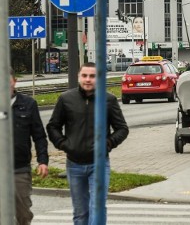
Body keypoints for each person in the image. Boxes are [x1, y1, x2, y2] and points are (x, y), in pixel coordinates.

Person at [46, 62, 129, 225]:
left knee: (97, 208)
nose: (88, 80)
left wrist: (109, 143)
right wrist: (63, 144)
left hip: (99, 164)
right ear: (79, 77)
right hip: (74, 164)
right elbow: (53, 126)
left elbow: (122, 129)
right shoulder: (66, 99)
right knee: (80, 213)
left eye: (92, 76)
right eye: (84, 76)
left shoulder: (109, 100)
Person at [8, 67, 49, 225]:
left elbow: (39, 136)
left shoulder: (28, 104)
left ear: (14, 82)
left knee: (23, 214)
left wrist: (43, 161)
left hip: (19, 169)